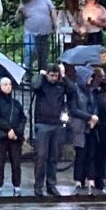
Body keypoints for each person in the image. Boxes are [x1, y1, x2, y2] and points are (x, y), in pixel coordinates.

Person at [31, 63, 72, 197]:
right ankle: (38, 186)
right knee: (41, 156)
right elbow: (34, 86)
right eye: (51, 75)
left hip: (57, 124)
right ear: (47, 74)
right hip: (42, 123)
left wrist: (64, 77)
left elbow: (73, 90)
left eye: (56, 75)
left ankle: (51, 184)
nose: (54, 78)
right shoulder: (42, 84)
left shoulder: (61, 85)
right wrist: (41, 76)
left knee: (54, 156)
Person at [68, 65, 102, 196]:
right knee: (81, 154)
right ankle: (78, 179)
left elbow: (94, 106)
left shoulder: (91, 91)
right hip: (80, 126)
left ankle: (91, 179)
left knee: (91, 153)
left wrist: (94, 117)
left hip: (91, 126)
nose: (90, 80)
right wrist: (89, 117)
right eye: (88, 77)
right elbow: (74, 109)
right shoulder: (75, 91)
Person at [0, 77, 25, 196]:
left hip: (15, 138)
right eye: (5, 84)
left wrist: (17, 131)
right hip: (0, 136)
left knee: (16, 163)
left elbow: (22, 118)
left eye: (9, 84)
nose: (8, 86)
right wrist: (8, 129)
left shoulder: (16, 103)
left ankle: (17, 185)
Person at [17, 0, 57, 72]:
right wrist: (19, 11)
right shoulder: (23, 3)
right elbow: (17, 19)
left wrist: (55, 25)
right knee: (30, 51)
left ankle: (42, 74)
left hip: (45, 32)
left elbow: (52, 9)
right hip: (30, 32)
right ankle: (27, 73)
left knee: (43, 55)